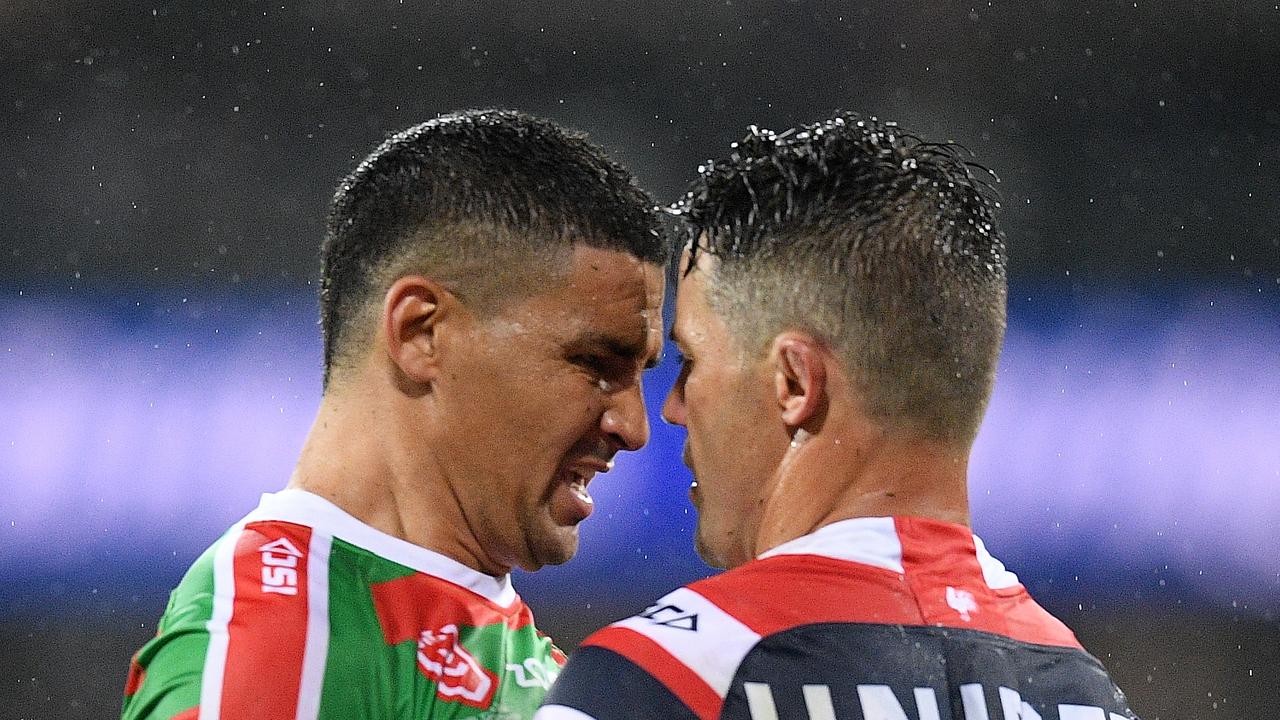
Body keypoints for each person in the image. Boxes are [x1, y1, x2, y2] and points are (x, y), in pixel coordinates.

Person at [538, 114, 1140, 720]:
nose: (669, 411)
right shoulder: (1084, 694)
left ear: (795, 384)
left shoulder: (665, 680)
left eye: (691, 363)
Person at [121, 109, 667, 720]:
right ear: (421, 333)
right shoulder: (279, 638)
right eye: (595, 363)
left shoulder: (547, 675)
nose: (634, 428)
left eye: (641, 374)